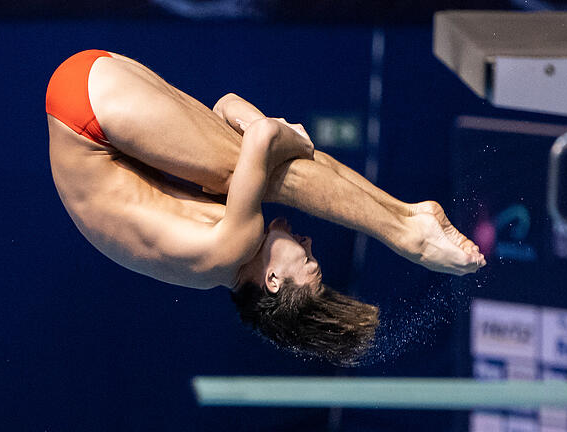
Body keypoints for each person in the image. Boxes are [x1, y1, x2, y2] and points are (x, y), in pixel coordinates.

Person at [46, 49, 486, 365]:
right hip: (91, 90)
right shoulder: (217, 258)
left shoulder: (230, 248)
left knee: (268, 169)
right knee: (261, 166)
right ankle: (408, 218)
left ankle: (408, 232)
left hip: (88, 113)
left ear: (273, 281)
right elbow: (228, 104)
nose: (310, 243)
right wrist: (271, 135)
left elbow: (263, 138)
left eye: (309, 261)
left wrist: (286, 135)